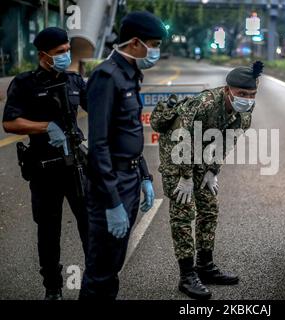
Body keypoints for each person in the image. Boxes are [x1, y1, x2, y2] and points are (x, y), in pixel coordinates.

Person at [152, 61, 264, 300]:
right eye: (241, 94)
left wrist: (213, 170)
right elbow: (183, 140)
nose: (247, 99)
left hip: (202, 151)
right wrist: (185, 177)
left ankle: (205, 266)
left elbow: (227, 141)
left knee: (209, 209)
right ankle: (187, 276)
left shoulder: (246, 109)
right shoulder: (202, 105)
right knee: (183, 211)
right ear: (227, 90)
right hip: (176, 149)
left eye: (252, 94)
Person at [79, 11, 166, 300]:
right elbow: (99, 145)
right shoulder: (107, 77)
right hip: (111, 183)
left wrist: (144, 176)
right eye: (153, 44)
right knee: (101, 268)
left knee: (114, 262)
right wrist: (112, 201)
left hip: (128, 177)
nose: (156, 51)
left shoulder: (130, 75)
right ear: (135, 43)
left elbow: (127, 135)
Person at [2, 27, 88, 300]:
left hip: (76, 167)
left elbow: (98, 108)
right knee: (49, 233)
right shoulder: (25, 83)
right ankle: (53, 288)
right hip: (44, 170)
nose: (66, 56)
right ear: (43, 55)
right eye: (60, 52)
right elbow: (9, 122)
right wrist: (45, 127)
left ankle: (96, 283)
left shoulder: (75, 81)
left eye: (67, 51)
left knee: (90, 226)